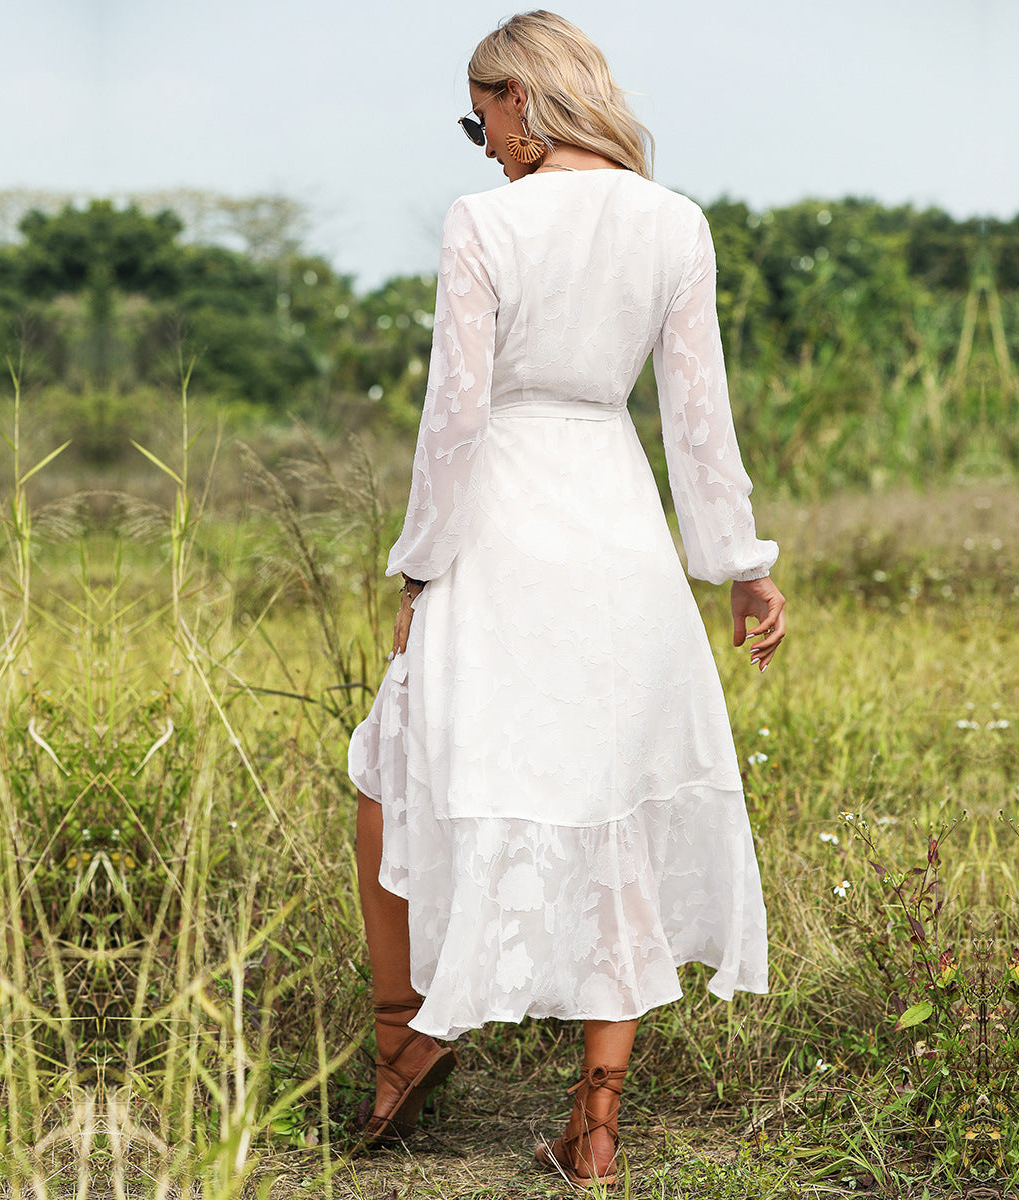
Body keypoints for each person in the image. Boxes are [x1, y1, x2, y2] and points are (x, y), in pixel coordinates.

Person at [348, 10, 786, 1188]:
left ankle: (406, 1037)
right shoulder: (675, 224)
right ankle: (595, 1128)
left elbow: (455, 418)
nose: (476, 138)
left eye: (478, 112)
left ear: (522, 97)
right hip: (617, 519)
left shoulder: (485, 223)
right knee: (615, 801)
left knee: (393, 767)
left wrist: (418, 567)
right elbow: (699, 423)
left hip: (503, 519)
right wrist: (741, 563)